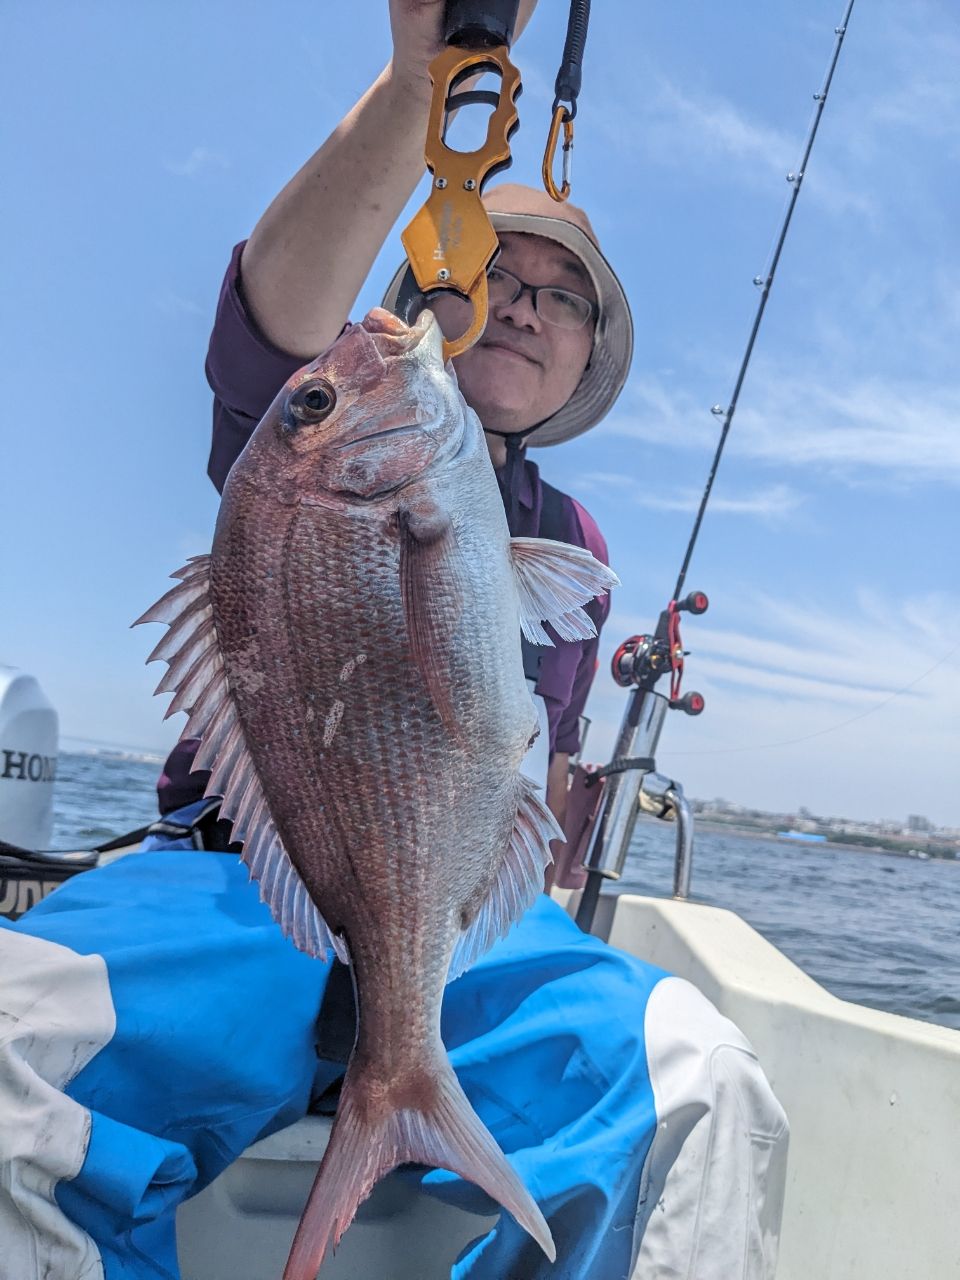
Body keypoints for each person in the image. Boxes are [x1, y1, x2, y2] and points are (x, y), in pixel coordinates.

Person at [0, 4, 789, 1279]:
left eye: (564, 296)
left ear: (586, 352)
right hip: (234, 888)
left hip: (459, 933)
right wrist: (416, 90)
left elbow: (512, 783)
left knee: (711, 1090)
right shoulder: (309, 434)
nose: (527, 306)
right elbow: (275, 313)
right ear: (435, 279)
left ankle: (407, 1069)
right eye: (503, 274)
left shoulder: (570, 538)